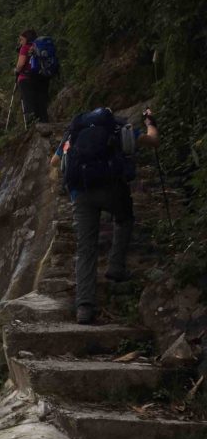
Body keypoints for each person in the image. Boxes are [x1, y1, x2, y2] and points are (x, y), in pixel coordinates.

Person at [51, 107, 161, 324]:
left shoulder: (74, 132)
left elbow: (54, 163)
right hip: (111, 188)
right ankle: (116, 266)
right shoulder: (117, 126)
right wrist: (150, 123)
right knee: (124, 217)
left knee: (85, 247)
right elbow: (153, 141)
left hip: (80, 192)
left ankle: (84, 306)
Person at [15, 29, 49, 124]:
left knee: (29, 103)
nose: (20, 42)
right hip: (42, 77)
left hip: (27, 78)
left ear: (27, 38)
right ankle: (45, 123)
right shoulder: (39, 46)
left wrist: (16, 70)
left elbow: (20, 64)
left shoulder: (25, 48)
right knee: (41, 101)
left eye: (21, 39)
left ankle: (32, 126)